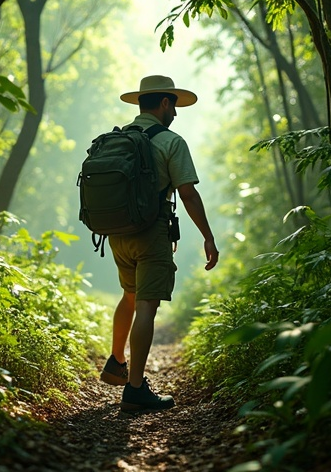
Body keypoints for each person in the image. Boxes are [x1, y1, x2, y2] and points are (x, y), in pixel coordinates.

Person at [100, 75, 219, 413]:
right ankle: (135, 388)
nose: (176, 114)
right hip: (151, 234)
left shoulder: (117, 137)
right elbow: (188, 193)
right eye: (175, 107)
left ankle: (116, 361)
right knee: (147, 305)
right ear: (165, 104)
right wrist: (208, 236)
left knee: (130, 296)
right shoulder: (171, 141)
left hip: (116, 232)